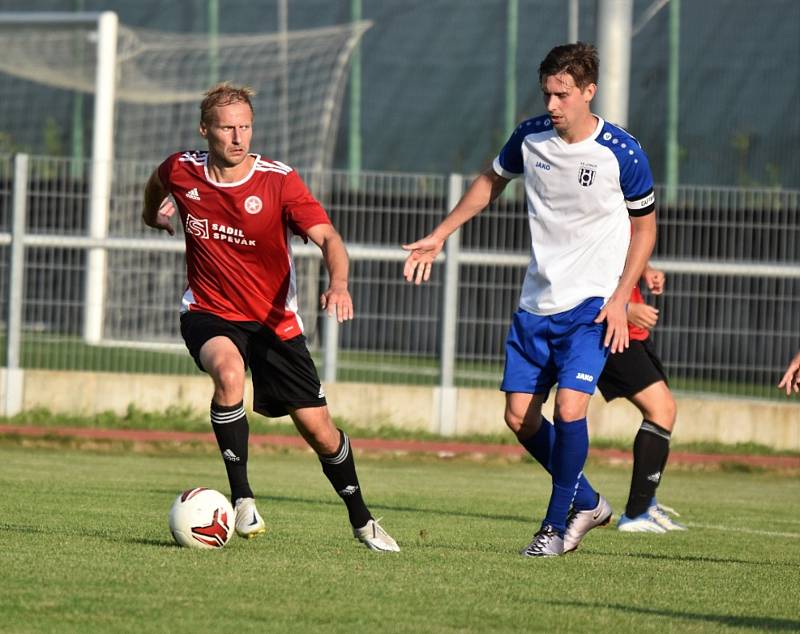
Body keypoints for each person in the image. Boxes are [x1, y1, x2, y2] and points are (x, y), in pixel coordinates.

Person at [403, 42, 657, 557]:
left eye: (563, 94)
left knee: (569, 409)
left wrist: (619, 297)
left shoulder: (621, 151)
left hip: (591, 307)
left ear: (589, 91)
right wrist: (442, 233)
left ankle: (554, 525)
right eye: (548, 94)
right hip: (535, 303)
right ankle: (588, 501)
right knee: (519, 418)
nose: (553, 105)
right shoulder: (531, 137)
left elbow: (645, 228)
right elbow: (490, 181)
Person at [142, 82, 398, 553]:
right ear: (206, 130)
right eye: (227, 128)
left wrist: (338, 282)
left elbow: (330, 240)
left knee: (320, 431)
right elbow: (159, 183)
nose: (238, 138)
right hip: (209, 310)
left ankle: (362, 519)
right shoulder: (182, 169)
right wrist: (152, 213)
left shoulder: (279, 181)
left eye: (245, 127)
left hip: (274, 322)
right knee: (228, 372)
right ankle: (242, 497)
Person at [596, 264, 686, 533]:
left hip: (634, 332)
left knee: (665, 411)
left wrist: (645, 270)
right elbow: (586, 266)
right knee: (662, 409)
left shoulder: (633, 221)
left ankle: (646, 504)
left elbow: (628, 248)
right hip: (612, 329)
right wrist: (624, 308)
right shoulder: (609, 219)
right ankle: (635, 513)